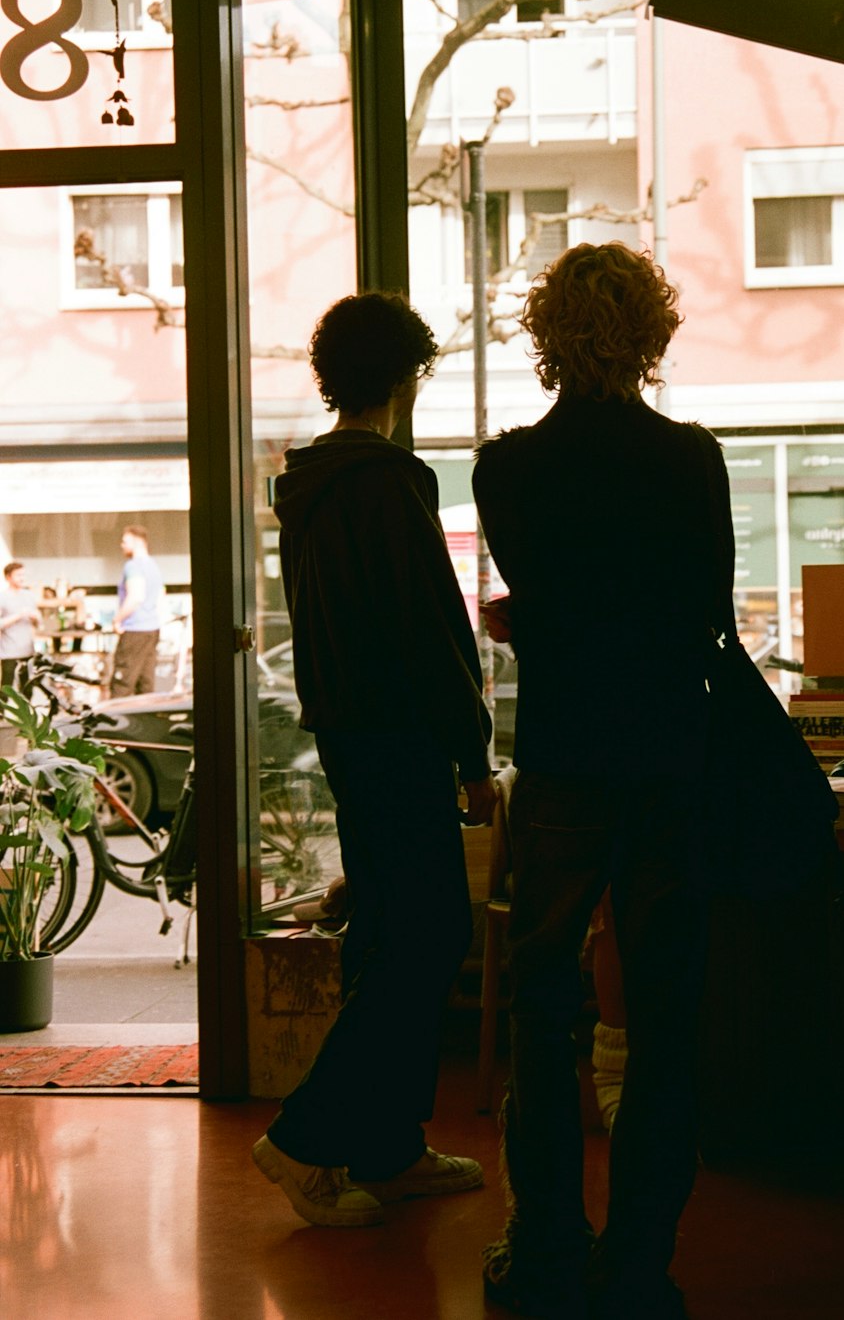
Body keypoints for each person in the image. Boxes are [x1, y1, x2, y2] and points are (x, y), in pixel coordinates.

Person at [472, 242, 735, 1319]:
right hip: (671, 758)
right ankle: (638, 1264)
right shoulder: (692, 458)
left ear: (543, 336)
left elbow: (541, 604)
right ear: (651, 332)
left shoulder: (505, 468)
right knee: (664, 1014)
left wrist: (530, 623)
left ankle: (543, 1248)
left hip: (564, 759)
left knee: (543, 1007)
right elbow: (706, 613)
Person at [252, 289, 498, 1228]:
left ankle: (389, 1149)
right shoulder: (392, 480)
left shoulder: (306, 485)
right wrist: (470, 752)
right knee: (428, 938)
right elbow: (433, 626)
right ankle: (306, 1138)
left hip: (349, 736)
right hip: (402, 737)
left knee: (390, 937)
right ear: (407, 375)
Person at [110, 525, 164, 696]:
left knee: (122, 685)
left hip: (134, 631)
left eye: (125, 541)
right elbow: (161, 595)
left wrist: (117, 620)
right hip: (152, 630)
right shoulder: (153, 566)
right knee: (145, 684)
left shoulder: (133, 566)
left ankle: (116, 721)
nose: (121, 545)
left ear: (136, 542)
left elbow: (136, 596)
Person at [0, 561, 41, 685]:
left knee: (28, 689)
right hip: (9, 653)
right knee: (6, 690)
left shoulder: (30, 596)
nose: (22, 578)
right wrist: (18, 615)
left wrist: (36, 618)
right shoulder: (2, 597)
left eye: (23, 575)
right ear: (8, 577)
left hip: (28, 651)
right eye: (18, 575)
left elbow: (38, 624)